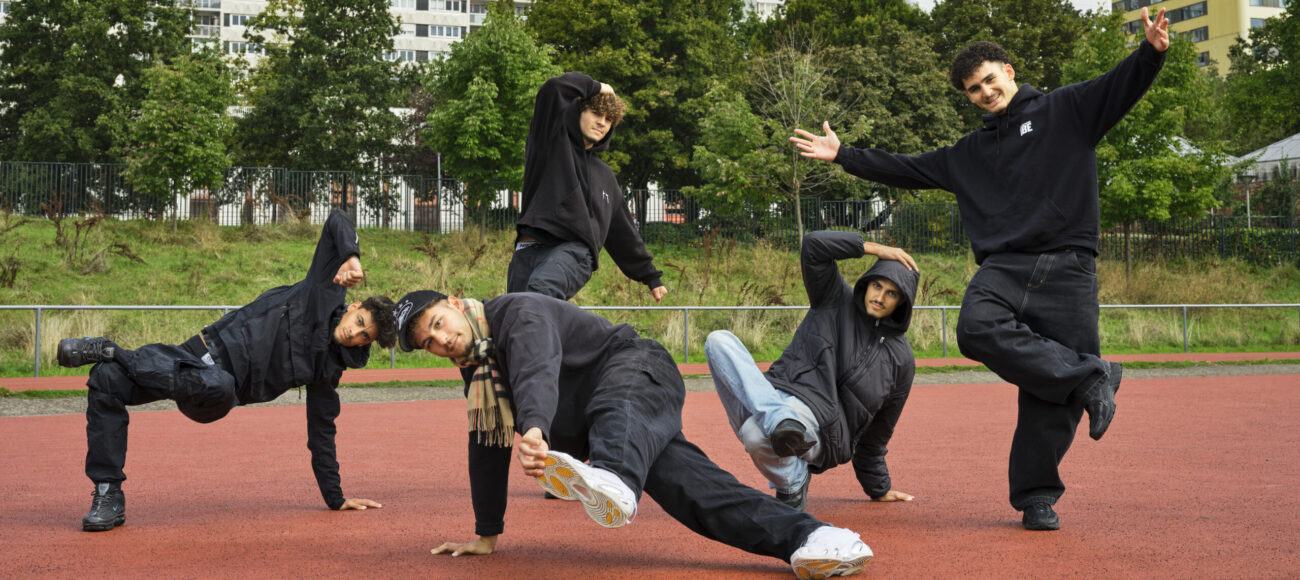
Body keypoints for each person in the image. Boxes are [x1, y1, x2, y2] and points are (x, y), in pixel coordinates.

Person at [788, 8, 1170, 531]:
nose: (985, 92)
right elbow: (907, 168)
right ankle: (1092, 378)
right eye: (973, 89)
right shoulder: (967, 154)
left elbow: (1121, 85)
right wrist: (843, 155)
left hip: (1069, 266)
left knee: (1047, 391)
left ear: (1009, 72)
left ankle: (1036, 497)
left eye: (990, 80)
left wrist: (1151, 52)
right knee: (975, 328)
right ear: (968, 97)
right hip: (1005, 269)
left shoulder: (1068, 110)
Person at [392, 290, 873, 577]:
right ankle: (816, 539)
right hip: (616, 433)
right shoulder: (479, 377)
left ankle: (614, 477)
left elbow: (536, 365)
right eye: (427, 343)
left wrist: (535, 428)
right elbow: (487, 446)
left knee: (614, 408)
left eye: (438, 323)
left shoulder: (516, 312)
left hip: (636, 370)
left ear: (454, 304)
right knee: (699, 495)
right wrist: (486, 533)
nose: (441, 340)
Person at [57, 209, 398, 532]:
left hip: (215, 393)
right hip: (192, 355)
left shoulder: (326, 371)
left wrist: (335, 498)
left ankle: (114, 351)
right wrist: (351, 256)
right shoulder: (321, 291)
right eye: (360, 322)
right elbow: (337, 219)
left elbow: (321, 433)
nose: (355, 334)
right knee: (105, 381)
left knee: (218, 384)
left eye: (364, 337)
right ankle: (108, 495)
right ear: (354, 306)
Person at [705, 231, 919, 512]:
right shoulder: (834, 299)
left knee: (757, 435)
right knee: (718, 341)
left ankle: (787, 457)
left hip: (823, 427)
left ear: (902, 302)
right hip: (773, 393)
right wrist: (874, 248)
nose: (879, 297)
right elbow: (814, 246)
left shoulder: (901, 360)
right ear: (866, 284)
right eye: (877, 285)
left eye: (892, 293)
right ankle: (783, 440)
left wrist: (878, 488)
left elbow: (879, 432)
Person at [509, 71, 668, 303]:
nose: (602, 122)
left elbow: (621, 231)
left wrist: (650, 276)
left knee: (536, 298)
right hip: (527, 249)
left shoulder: (605, 177)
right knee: (514, 316)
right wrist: (598, 86)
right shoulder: (549, 141)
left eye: (609, 119)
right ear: (578, 112)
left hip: (572, 250)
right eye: (595, 113)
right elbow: (553, 90)